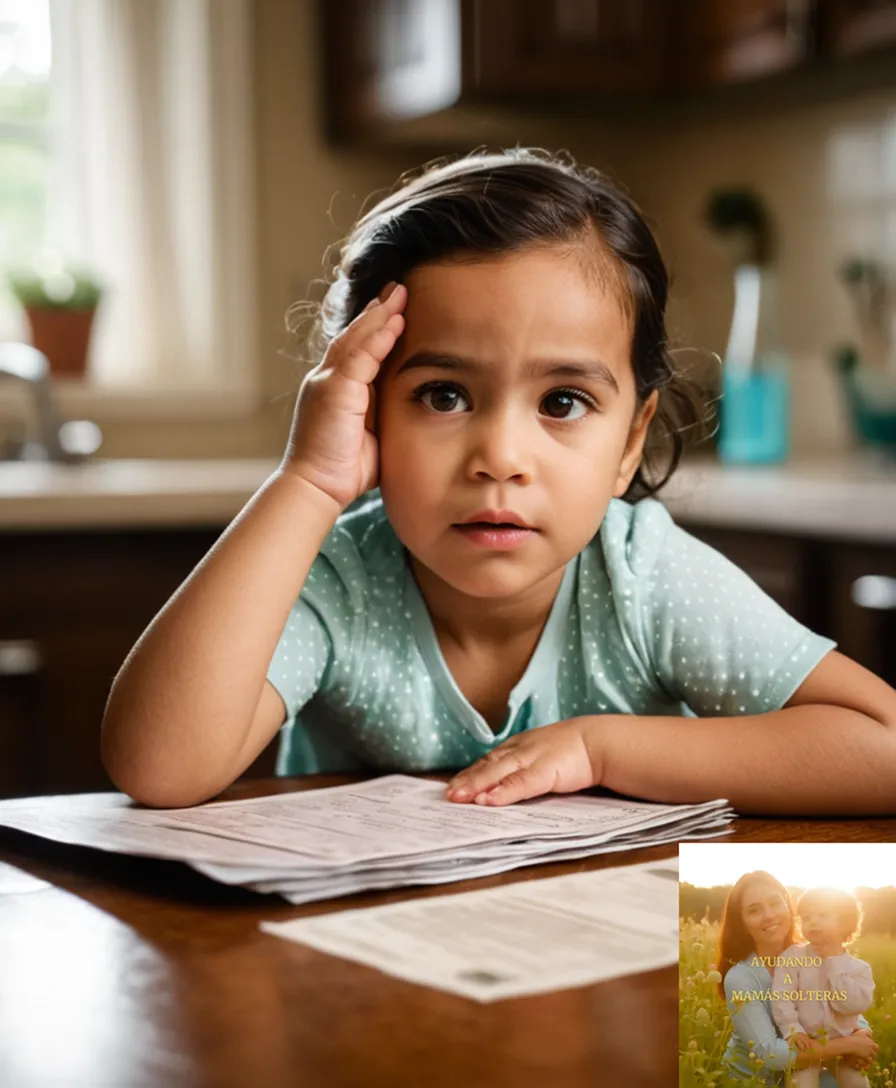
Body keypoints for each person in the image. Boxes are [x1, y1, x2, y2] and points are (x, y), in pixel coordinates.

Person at [99, 148, 896, 811]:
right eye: (443, 395)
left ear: (630, 444)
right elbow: (160, 769)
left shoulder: (642, 578)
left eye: (562, 401)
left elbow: (882, 745)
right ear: (367, 411)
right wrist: (307, 481)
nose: (500, 457)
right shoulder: (337, 579)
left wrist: (602, 746)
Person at [718, 872, 877, 1085]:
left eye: (775, 903)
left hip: (807, 1064)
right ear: (743, 923)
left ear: (788, 906)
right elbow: (768, 1054)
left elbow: (838, 1004)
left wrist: (862, 1033)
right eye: (754, 910)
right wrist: (849, 1045)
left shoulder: (815, 953)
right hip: (756, 1079)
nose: (769, 915)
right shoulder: (740, 978)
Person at [770, 887, 875, 1088]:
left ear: (845, 923)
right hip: (807, 1044)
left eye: (822, 915)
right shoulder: (792, 958)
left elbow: (852, 1006)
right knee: (801, 1083)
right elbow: (782, 997)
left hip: (843, 1048)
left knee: (857, 1083)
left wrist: (833, 962)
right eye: (807, 917)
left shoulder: (859, 969)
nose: (813, 922)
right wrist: (793, 1030)